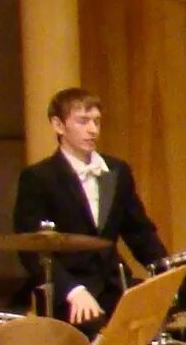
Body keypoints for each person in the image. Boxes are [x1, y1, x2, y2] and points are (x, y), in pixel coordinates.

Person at [11, 86, 166, 326]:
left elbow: (140, 232)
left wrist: (168, 273)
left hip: (115, 285)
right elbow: (31, 249)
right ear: (58, 125)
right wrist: (72, 291)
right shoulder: (38, 177)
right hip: (69, 293)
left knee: (171, 317)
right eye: (83, 121)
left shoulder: (116, 171)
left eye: (96, 121)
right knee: (95, 331)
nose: (93, 130)